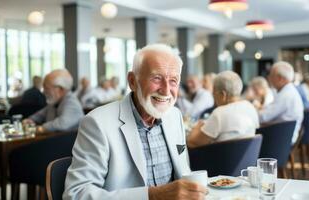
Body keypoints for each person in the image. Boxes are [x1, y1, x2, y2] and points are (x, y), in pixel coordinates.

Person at [63, 44, 207, 200]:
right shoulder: (97, 123)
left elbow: (183, 173)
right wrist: (152, 196)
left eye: (173, 80)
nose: (166, 90)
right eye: (157, 78)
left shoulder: (174, 116)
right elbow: (76, 194)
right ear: (132, 81)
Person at [187, 71, 259, 148]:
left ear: (223, 95)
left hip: (220, 159)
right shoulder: (251, 107)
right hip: (247, 158)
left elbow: (192, 142)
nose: (213, 97)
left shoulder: (219, 113)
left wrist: (198, 126)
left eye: (214, 93)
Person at [259, 61, 304, 144]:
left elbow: (263, 117)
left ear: (280, 78)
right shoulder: (288, 91)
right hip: (284, 135)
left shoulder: (286, 95)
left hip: (282, 140)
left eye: (271, 75)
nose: (269, 78)